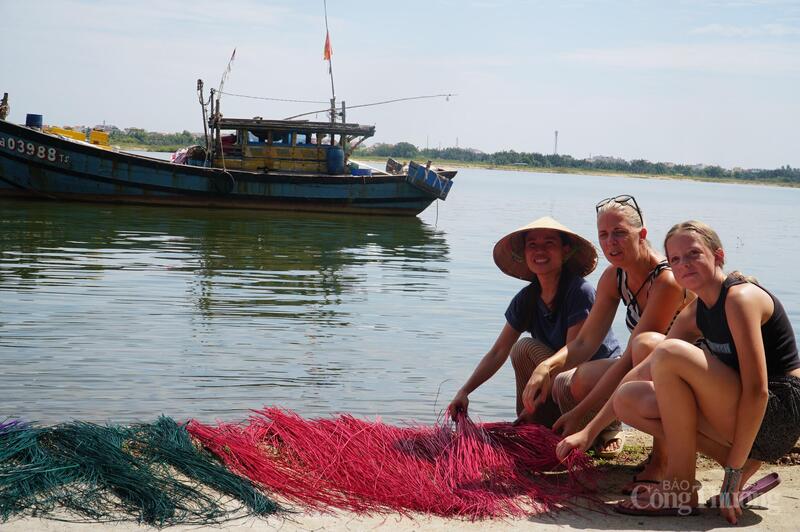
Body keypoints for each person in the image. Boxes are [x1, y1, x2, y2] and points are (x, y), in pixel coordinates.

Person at [605, 221, 800, 522]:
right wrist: (588, 430)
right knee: (628, 398)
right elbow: (641, 372)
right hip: (746, 414)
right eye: (675, 260)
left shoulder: (739, 298)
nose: (684, 264)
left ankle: (680, 488)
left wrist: (731, 478)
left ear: (718, 255)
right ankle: (741, 461)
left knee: (669, 354)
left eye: (693, 253)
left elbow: (758, 391)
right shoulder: (696, 311)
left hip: (780, 411)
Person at [524, 195, 688, 459]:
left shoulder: (666, 280)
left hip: (684, 373)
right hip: (647, 365)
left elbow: (634, 359)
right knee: (566, 380)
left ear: (642, 234)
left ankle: (660, 458)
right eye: (604, 234)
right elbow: (584, 343)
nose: (611, 242)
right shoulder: (614, 276)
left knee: (643, 346)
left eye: (620, 233)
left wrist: (582, 418)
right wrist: (546, 367)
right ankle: (572, 432)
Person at [447, 216, 621, 432]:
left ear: (565, 251)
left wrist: (541, 379)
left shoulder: (579, 292)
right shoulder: (527, 298)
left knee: (560, 376)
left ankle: (606, 428)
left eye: (549, 244)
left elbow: (572, 359)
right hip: (557, 384)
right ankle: (536, 421)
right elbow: (498, 352)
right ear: (524, 253)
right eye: (532, 245)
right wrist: (465, 391)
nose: (540, 251)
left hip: (590, 386)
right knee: (522, 349)